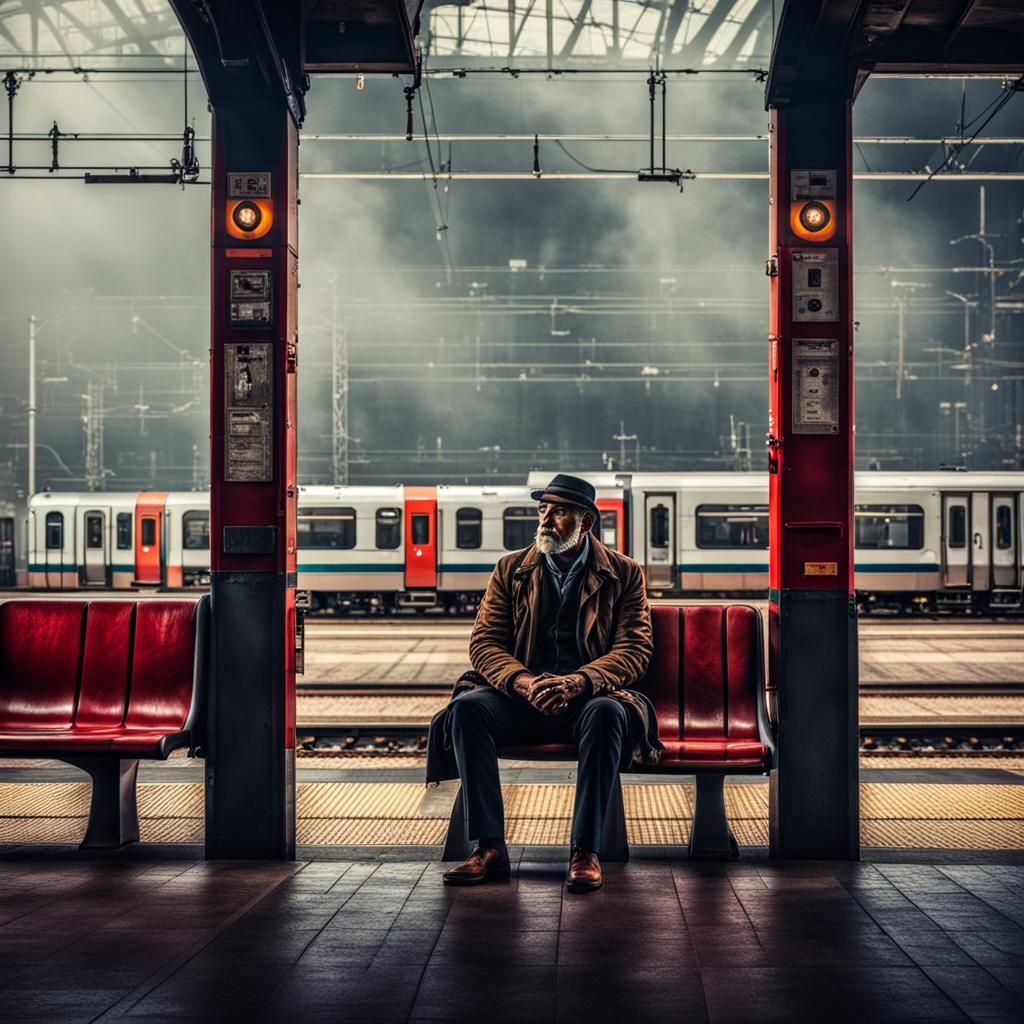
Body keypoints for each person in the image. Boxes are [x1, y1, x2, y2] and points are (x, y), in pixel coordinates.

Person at [426, 473, 662, 893]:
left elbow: (634, 650)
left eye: (559, 512)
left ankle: (585, 850)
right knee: (466, 710)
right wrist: (522, 682)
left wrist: (579, 681)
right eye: (543, 510)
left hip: (588, 700)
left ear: (585, 522)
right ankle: (489, 847)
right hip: (523, 699)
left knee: (609, 713)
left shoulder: (624, 574)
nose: (546, 520)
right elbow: (484, 644)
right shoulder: (511, 569)